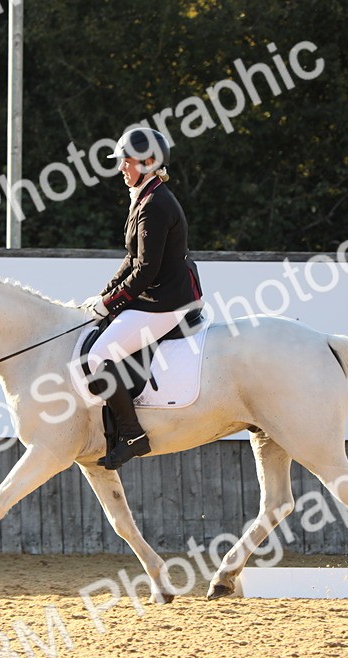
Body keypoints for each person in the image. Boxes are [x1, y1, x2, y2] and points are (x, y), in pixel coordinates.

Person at [85, 127, 203, 470]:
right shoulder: (145, 196)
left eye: (127, 161)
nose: (121, 167)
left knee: (98, 355)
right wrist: (104, 294)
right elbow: (132, 258)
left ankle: (133, 435)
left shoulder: (155, 204)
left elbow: (146, 271)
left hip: (165, 301)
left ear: (149, 161)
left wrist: (110, 304)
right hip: (158, 294)